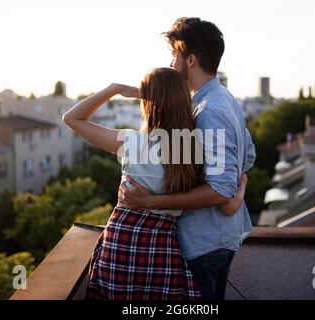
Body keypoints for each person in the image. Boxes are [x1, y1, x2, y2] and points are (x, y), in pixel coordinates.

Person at [62, 67, 246, 300]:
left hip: (122, 241)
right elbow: (228, 205)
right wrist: (241, 189)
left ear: (148, 102)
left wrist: (115, 89)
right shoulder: (194, 151)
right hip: (161, 247)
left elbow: (71, 118)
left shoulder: (131, 144)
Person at [118, 17, 256, 300]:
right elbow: (247, 156)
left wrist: (151, 202)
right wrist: (235, 195)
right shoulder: (225, 99)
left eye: (174, 56)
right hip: (219, 238)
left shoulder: (208, 111)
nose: (171, 65)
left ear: (190, 59)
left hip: (205, 243)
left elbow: (220, 188)